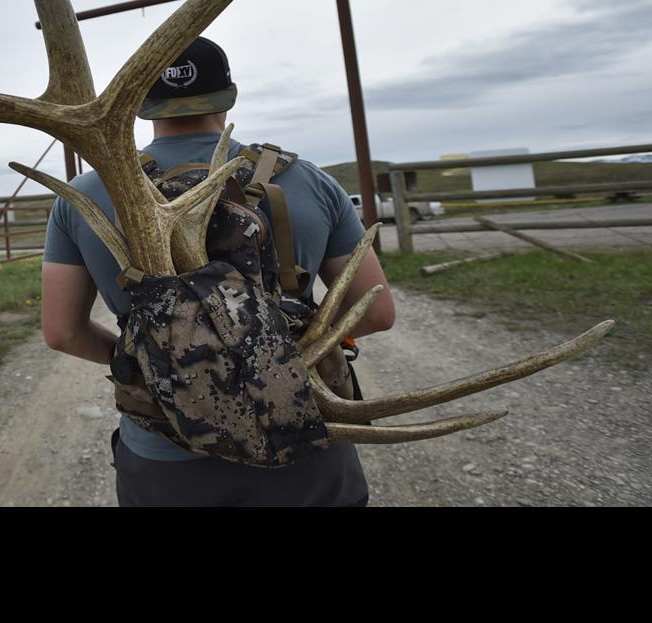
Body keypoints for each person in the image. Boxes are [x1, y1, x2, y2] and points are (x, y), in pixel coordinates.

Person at [40, 35, 396, 507]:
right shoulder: (308, 180)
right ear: (228, 97)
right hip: (303, 434)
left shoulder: (83, 196)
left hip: (164, 451)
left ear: (142, 104)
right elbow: (376, 312)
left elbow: (62, 332)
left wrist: (157, 363)